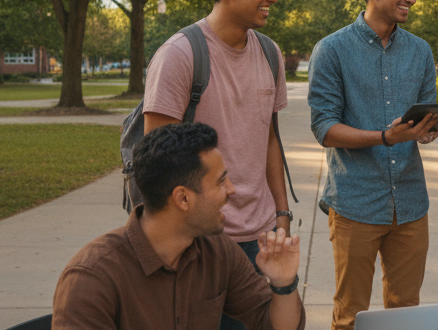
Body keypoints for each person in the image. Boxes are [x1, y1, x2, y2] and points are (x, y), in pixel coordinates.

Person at [141, 0, 291, 330]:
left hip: (259, 235)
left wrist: (282, 214)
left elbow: (270, 139)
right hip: (200, 239)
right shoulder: (179, 55)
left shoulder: (270, 53)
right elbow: (157, 162)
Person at [52, 122, 304, 330]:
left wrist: (284, 284)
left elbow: (274, 326)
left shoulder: (217, 251)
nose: (231, 189)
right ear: (183, 198)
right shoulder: (92, 277)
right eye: (220, 181)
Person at [307, 0, 438, 330]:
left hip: (411, 203)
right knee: (350, 314)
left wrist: (428, 130)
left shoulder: (421, 51)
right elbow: (325, 129)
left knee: (406, 312)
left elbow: (428, 121)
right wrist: (386, 136)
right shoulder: (332, 50)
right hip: (355, 202)